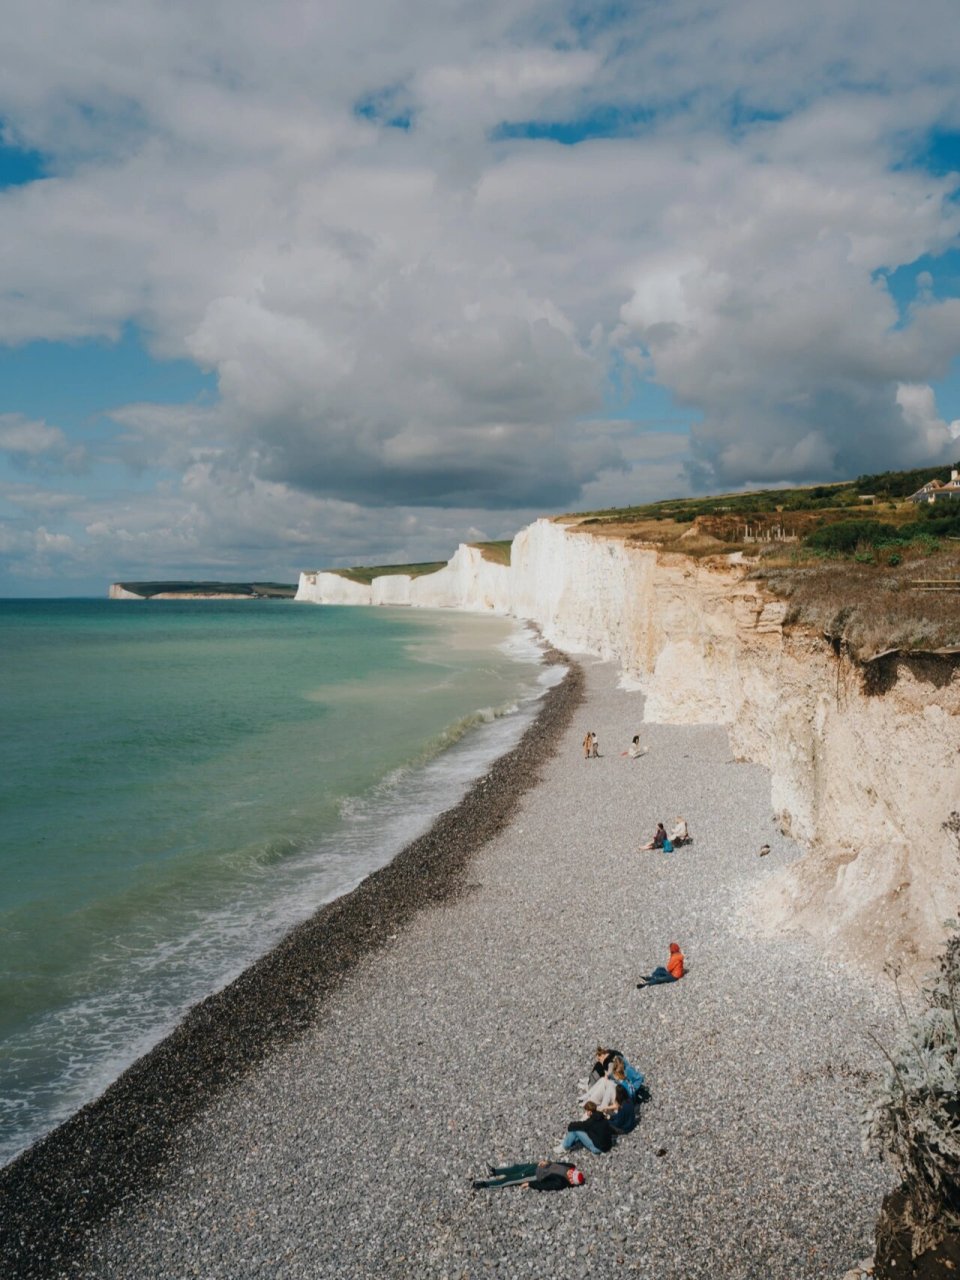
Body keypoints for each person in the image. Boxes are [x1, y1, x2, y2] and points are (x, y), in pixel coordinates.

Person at [473, 1160, 585, 1191]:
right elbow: (557, 1164)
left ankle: (485, 1185)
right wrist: (547, 1162)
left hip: (535, 1175)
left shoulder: (561, 1182)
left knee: (512, 1179)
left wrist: (530, 1184)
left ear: (571, 1180)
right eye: (571, 1171)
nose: (569, 1172)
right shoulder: (570, 1166)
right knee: (515, 1168)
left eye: (570, 1174)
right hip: (537, 1166)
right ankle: (494, 1171)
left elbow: (546, 1185)